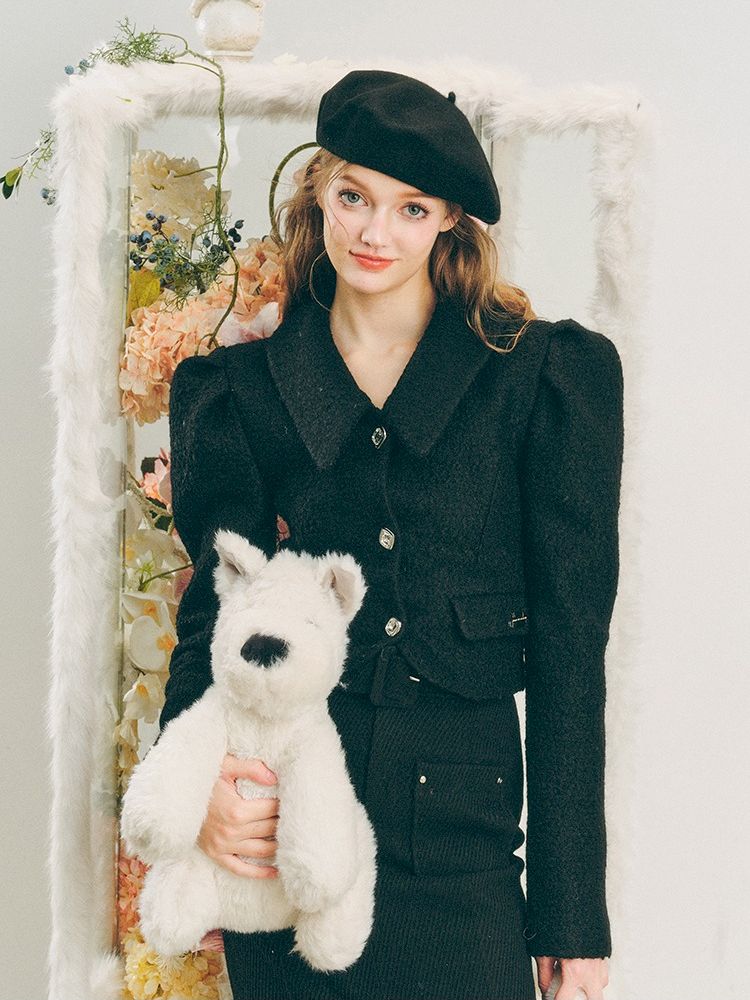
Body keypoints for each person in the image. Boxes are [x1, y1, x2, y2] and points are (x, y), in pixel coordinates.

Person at [158, 70, 623, 1000]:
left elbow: (572, 649)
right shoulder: (239, 393)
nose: (376, 233)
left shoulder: (538, 379)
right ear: (318, 193)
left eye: (412, 209)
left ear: (450, 220)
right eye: (354, 197)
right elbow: (213, 616)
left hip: (462, 848)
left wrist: (570, 913)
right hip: (285, 834)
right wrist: (195, 793)